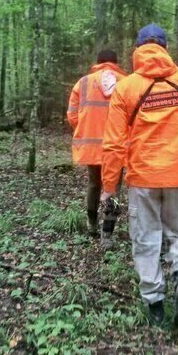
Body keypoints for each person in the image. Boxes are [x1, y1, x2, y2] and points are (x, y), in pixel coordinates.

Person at [100, 24, 178, 326]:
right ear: (166, 48)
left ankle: (155, 303)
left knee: (146, 238)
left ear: (138, 49)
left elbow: (113, 143)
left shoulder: (125, 88)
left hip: (143, 178)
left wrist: (108, 186)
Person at [66, 49, 127, 248]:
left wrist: (86, 129)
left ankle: (92, 225)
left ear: (97, 62)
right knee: (113, 188)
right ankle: (107, 234)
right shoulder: (126, 82)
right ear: (116, 62)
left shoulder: (82, 83)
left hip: (91, 146)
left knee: (94, 184)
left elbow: (72, 115)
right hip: (117, 146)